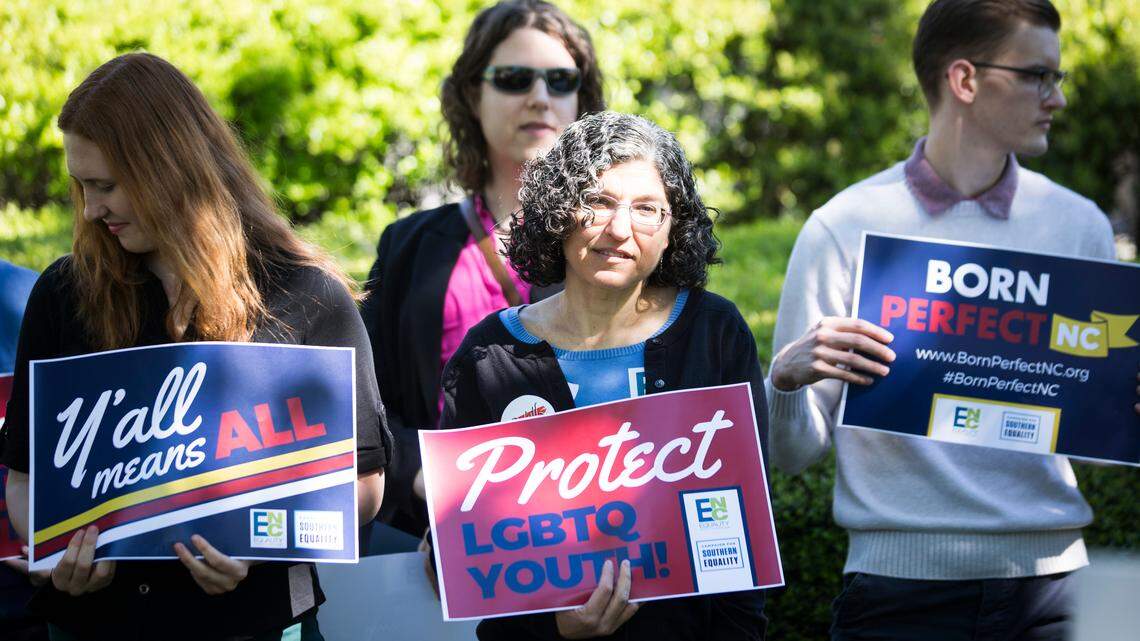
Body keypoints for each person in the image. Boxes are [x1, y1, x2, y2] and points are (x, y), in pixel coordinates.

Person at [765, 1, 1139, 639]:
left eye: (1058, 78)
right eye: (1037, 76)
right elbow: (793, 454)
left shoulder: (1080, 225)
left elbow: (1099, 449)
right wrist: (782, 383)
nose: (1057, 99)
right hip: (894, 596)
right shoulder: (843, 225)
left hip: (1055, 591)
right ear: (964, 80)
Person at [0, 53, 390, 641]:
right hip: (96, 625)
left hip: (252, 625)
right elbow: (26, 481)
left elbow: (361, 484)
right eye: (80, 186)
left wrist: (260, 549)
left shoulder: (305, 295)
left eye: (106, 186)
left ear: (170, 171)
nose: (89, 209)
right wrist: (56, 555)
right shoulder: (63, 293)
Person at [440, 111, 768, 640]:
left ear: (673, 230)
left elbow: (746, 532)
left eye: (647, 210)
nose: (619, 230)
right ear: (557, 212)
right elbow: (473, 567)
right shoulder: (489, 357)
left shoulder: (715, 333)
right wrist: (556, 630)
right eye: (597, 201)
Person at [361, 0, 605, 536]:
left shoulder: (618, 240)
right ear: (474, 94)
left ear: (581, 101)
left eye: (561, 81)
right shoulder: (407, 246)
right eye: (515, 78)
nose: (540, 97)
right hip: (432, 535)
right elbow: (366, 403)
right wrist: (426, 479)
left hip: (590, 525)